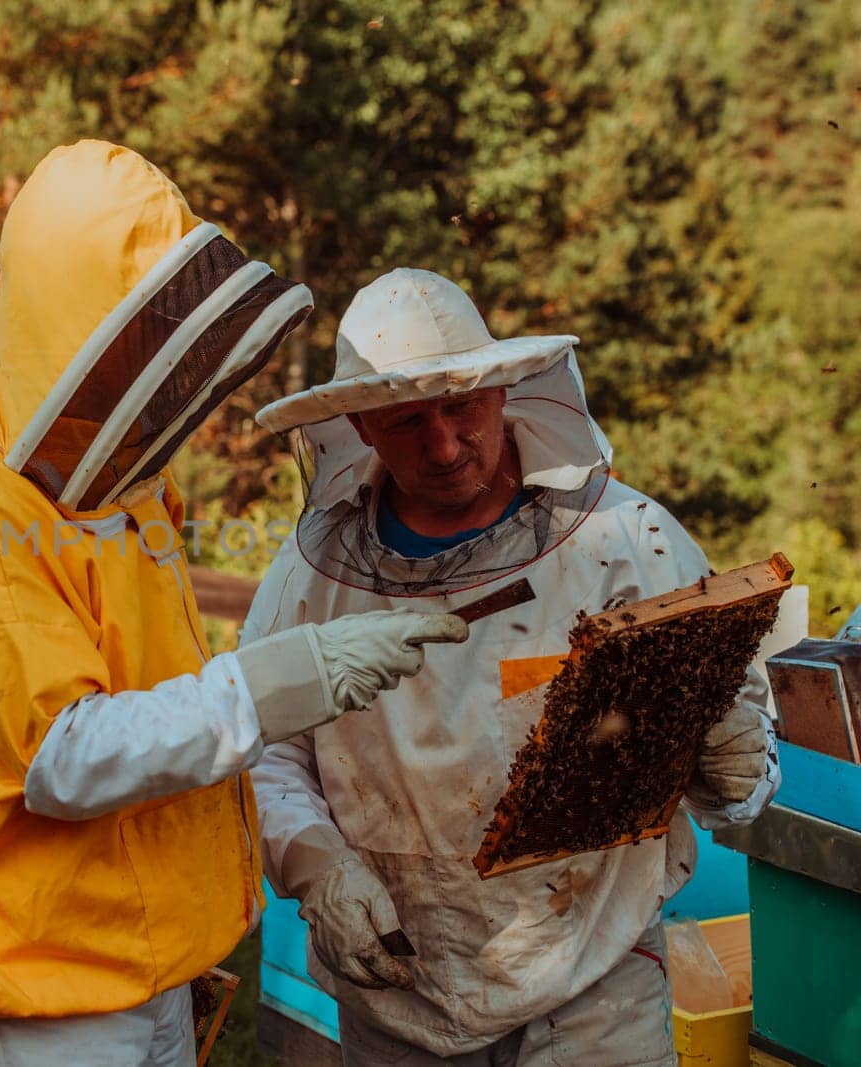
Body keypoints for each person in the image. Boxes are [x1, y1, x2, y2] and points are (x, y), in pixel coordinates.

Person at [0, 143, 467, 1065]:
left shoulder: (107, 464)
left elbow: (150, 667)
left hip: (129, 946)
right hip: (30, 978)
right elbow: (60, 752)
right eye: (130, 341)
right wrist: (274, 687)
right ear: (74, 326)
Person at [244, 267, 779, 1064]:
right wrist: (318, 870)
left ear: (502, 388)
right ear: (358, 424)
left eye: (460, 405)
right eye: (405, 420)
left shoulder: (627, 540)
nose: (444, 443)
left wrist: (740, 758)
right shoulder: (308, 574)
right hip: (396, 979)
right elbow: (265, 748)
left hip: (595, 979)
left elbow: (738, 733)